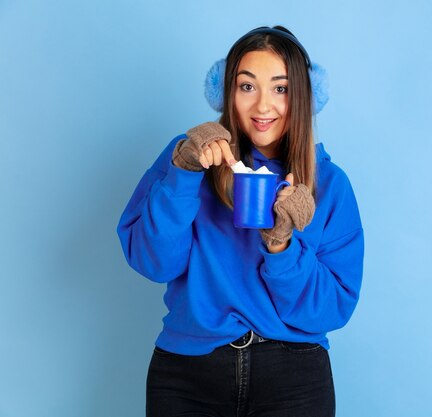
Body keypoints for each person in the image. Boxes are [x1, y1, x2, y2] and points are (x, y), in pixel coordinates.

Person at [117, 25, 364, 417]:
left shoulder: (329, 184)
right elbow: (154, 262)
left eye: (280, 88)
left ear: (302, 96)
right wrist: (183, 171)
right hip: (187, 374)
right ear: (227, 93)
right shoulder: (188, 157)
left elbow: (332, 309)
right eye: (247, 86)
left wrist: (282, 245)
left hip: (293, 378)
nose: (263, 106)